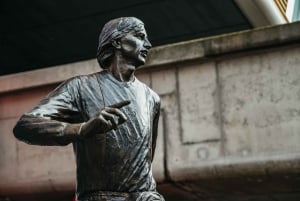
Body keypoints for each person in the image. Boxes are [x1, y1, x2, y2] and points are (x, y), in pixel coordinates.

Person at [13, 17, 164, 201]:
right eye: (140, 36)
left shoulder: (152, 98)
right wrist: (82, 129)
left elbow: (146, 162)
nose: (147, 44)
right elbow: (26, 125)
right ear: (117, 42)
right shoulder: (80, 88)